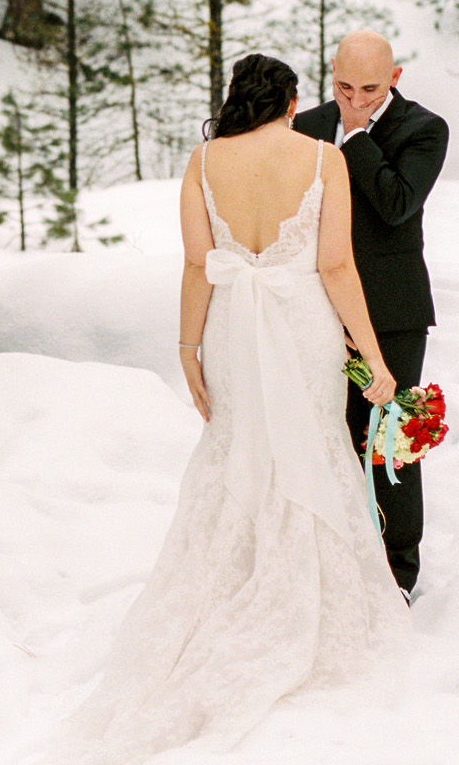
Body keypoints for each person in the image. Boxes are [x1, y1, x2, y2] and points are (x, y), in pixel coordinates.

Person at [41, 53, 408, 764]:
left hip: (232, 324)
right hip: (301, 323)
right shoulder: (325, 158)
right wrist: (375, 355)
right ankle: (303, 595)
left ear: (237, 99)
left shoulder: (204, 160)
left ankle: (234, 578)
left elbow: (194, 262)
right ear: (294, 101)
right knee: (310, 442)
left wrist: (188, 348)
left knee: (239, 442)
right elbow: (335, 266)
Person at [292, 30, 448, 599]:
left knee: (389, 440)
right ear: (329, 73)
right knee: (326, 436)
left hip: (391, 312)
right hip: (317, 310)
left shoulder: (423, 130)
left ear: (396, 78)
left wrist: (356, 139)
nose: (355, 100)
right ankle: (335, 559)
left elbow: (396, 203)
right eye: (344, 87)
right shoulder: (304, 127)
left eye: (370, 88)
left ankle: (397, 570)